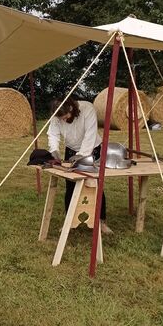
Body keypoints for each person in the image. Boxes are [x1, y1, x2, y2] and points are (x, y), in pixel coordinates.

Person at [47, 97, 113, 234]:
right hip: (71, 149)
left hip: (92, 148)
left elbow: (90, 134)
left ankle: (101, 221)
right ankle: (69, 220)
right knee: (70, 184)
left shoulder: (87, 109)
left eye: (65, 117)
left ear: (71, 108)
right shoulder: (57, 115)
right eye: (61, 118)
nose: (63, 120)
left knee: (94, 184)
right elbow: (53, 134)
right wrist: (54, 150)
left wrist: (82, 154)